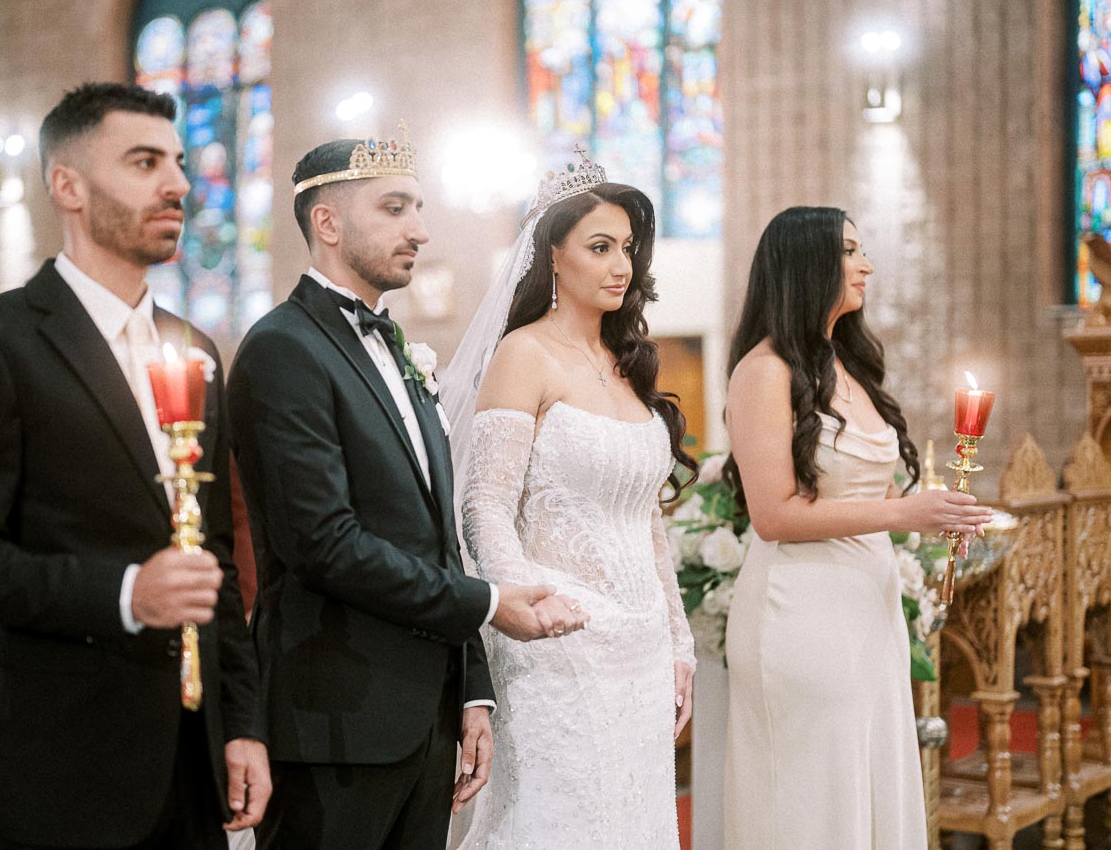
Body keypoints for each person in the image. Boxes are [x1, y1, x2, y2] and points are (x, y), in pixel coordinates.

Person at [0, 82, 266, 850]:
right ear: (67, 186)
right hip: (66, 768)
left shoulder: (195, 350)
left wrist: (242, 723)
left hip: (194, 762)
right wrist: (124, 592)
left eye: (176, 163)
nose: (178, 184)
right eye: (144, 162)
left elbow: (212, 558)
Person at [227, 129, 584, 850]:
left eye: (418, 207)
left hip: (425, 715)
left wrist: (472, 687)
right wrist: (486, 604)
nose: (420, 229)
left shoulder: (400, 350)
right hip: (335, 720)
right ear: (326, 223)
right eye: (394, 208)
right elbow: (322, 543)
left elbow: (438, 535)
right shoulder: (283, 350)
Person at [441, 153, 696, 848]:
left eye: (628, 250)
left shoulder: (628, 364)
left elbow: (648, 521)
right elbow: (483, 505)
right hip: (558, 642)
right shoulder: (523, 355)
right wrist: (531, 601)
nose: (622, 266)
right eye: (600, 247)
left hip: (641, 649)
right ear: (553, 256)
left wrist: (679, 641)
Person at [721, 207, 993, 849]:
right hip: (802, 613)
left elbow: (865, 494)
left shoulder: (846, 364)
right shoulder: (764, 371)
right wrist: (908, 513)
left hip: (867, 611)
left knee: (870, 780)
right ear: (806, 264)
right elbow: (774, 514)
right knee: (814, 798)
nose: (866, 264)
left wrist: (941, 511)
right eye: (849, 251)